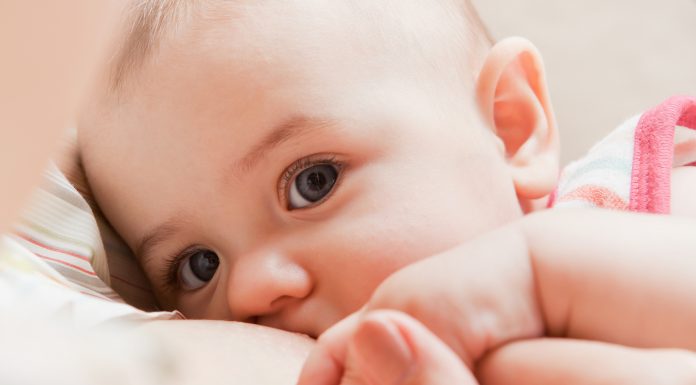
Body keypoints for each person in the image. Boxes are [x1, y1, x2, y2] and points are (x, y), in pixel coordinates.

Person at [76, 0, 696, 383]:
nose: (250, 290)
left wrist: (542, 274)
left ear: (511, 127)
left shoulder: (631, 198)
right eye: (197, 265)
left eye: (311, 183)